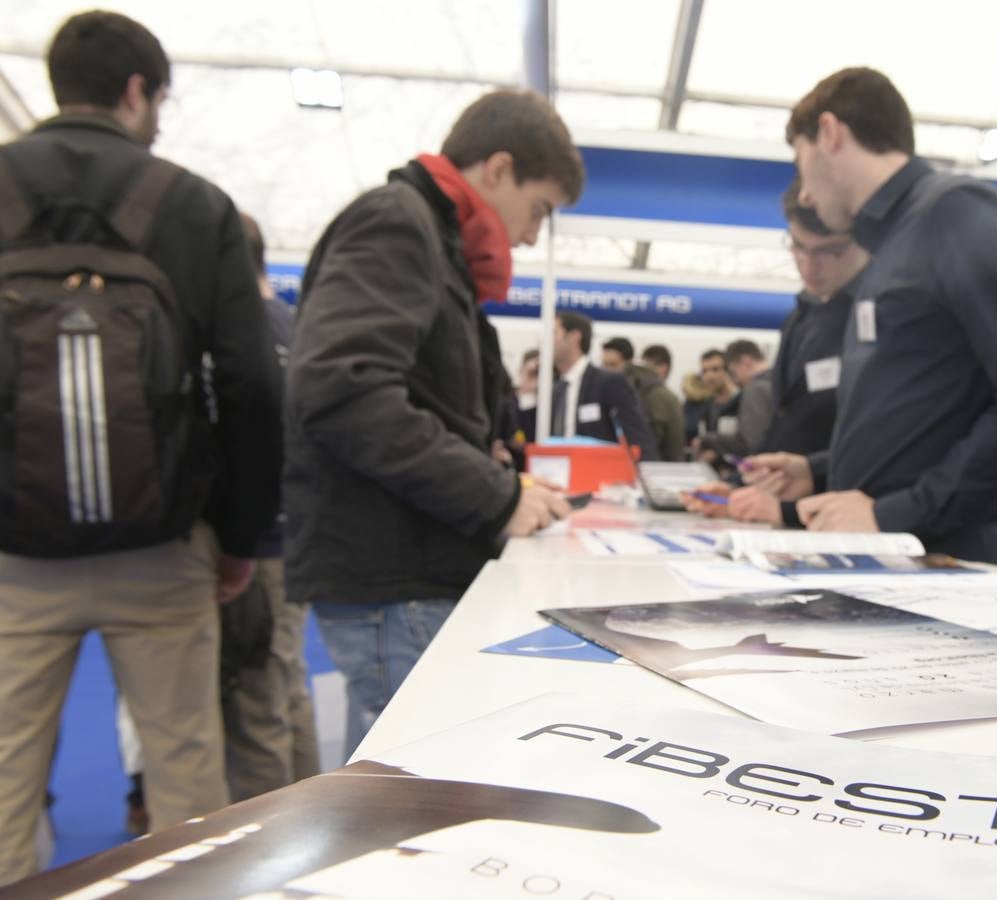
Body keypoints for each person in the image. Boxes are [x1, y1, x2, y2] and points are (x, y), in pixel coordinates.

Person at [0, 11, 282, 883]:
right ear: (135, 92)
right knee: (186, 781)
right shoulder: (193, 206)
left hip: (12, 552)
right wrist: (237, 541)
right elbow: (249, 384)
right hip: (162, 550)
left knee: (5, 781)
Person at [285, 89, 578, 759]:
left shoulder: (435, 244)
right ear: (498, 169)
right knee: (419, 788)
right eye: (538, 210)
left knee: (381, 791)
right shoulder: (397, 224)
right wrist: (496, 496)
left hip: (408, 567)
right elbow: (343, 390)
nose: (532, 235)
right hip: (394, 573)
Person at [741, 67, 997, 564]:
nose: (805, 194)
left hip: (944, 563)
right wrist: (817, 469)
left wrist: (894, 514)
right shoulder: (894, 244)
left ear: (830, 134)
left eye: (801, 162)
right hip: (892, 561)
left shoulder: (957, 213)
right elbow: (925, 422)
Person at [685, 178, 868, 525]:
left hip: (844, 514)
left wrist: (788, 508)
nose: (809, 265)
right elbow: (785, 428)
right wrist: (740, 487)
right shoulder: (800, 316)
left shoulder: (874, 318)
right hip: (797, 517)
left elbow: (878, 443)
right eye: (799, 247)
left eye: (829, 251)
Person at [219, 212, 319, 802]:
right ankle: (309, 812)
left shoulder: (237, 330)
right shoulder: (297, 326)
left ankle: (265, 845)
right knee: (288, 685)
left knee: (257, 702)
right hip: (298, 536)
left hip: (257, 544)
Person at [550, 312, 659, 460]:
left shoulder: (607, 383)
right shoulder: (556, 389)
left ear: (574, 337)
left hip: (599, 475)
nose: (546, 340)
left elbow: (638, 439)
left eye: (554, 333)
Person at [601, 336, 685, 461]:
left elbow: (675, 450)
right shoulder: (600, 394)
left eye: (613, 365)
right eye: (604, 365)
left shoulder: (660, 397)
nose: (607, 371)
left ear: (628, 363)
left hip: (650, 470)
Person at [698, 340, 774, 462]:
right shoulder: (777, 383)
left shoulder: (755, 389)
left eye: (733, 372)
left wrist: (708, 440)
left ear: (745, 362)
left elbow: (750, 443)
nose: (736, 380)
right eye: (704, 371)